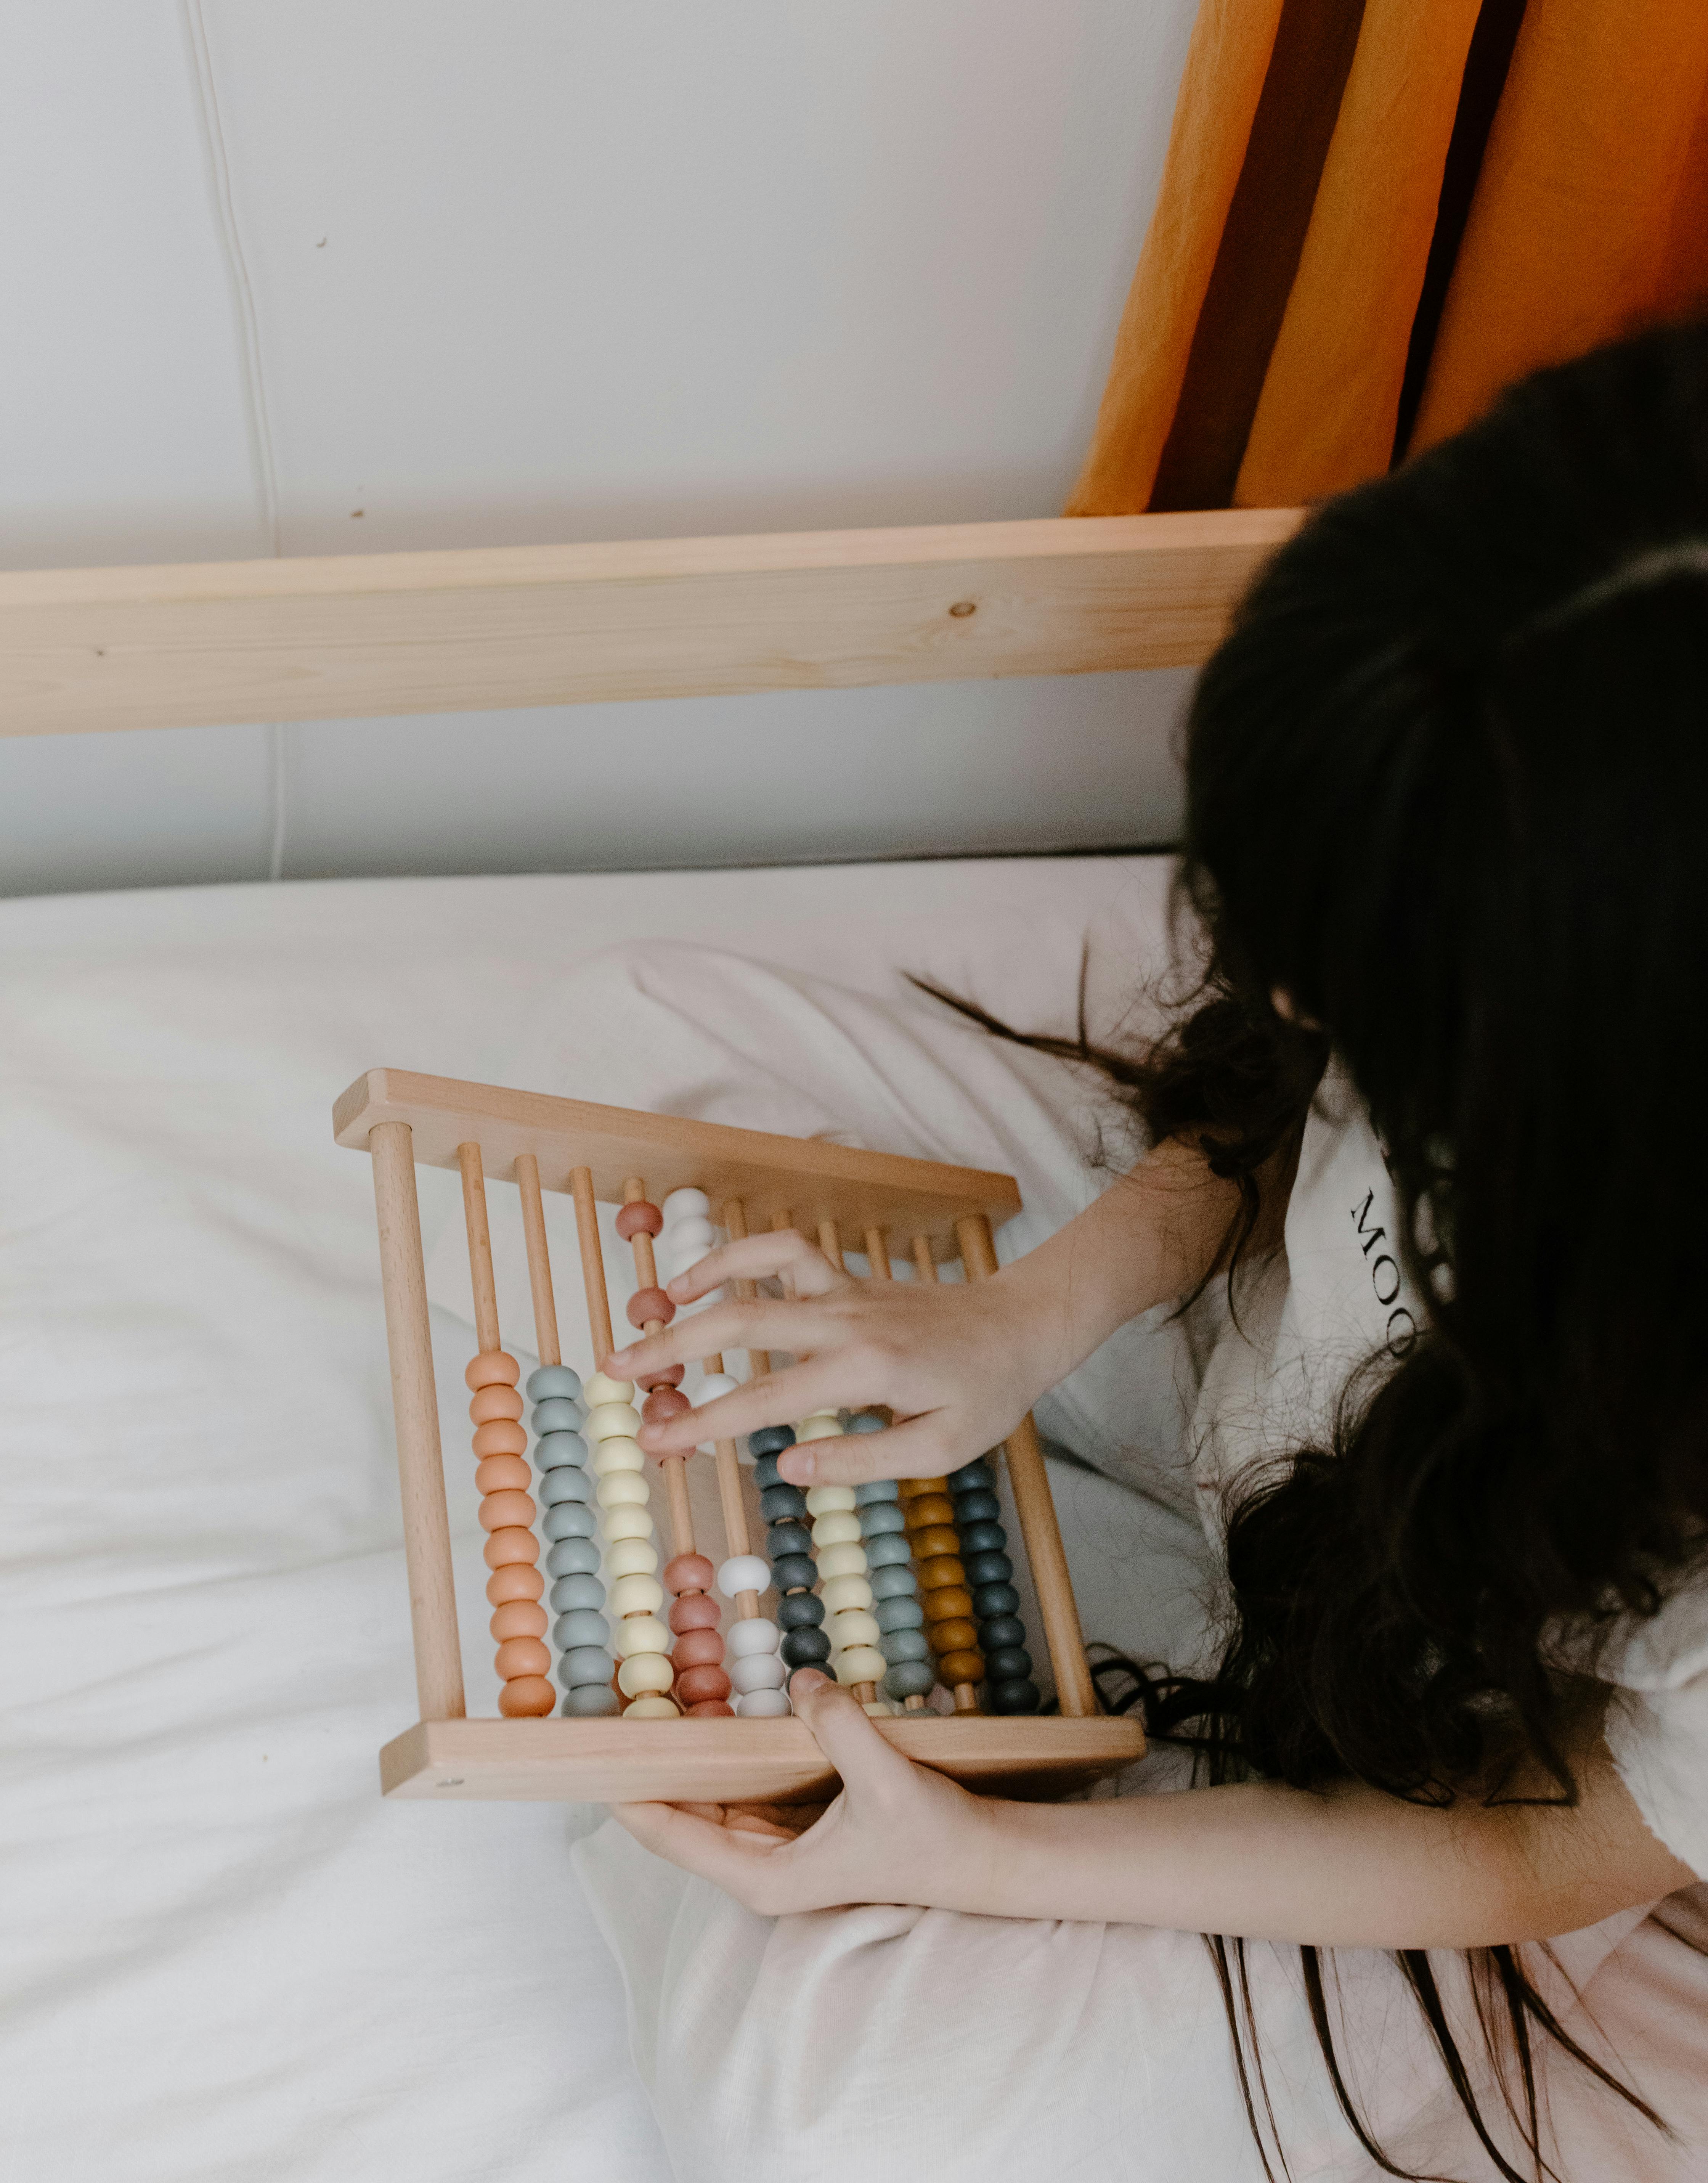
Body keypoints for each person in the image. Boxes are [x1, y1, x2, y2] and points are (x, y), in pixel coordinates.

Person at [609, 321, 1708, 2179]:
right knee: (659, 1047)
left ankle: (1089, 1688)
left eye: (1373, 1003)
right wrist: (1021, 1314)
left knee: (828, 2117)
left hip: (1444, 1730)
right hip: (1253, 1389)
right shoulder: (1551, 766)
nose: (1288, 989)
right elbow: (1255, 1093)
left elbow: (1534, 1847)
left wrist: (994, 1858)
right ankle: (1081, 1570)